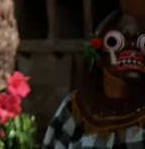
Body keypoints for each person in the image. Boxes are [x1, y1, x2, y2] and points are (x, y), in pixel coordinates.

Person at [41, 10, 145, 148]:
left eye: (140, 44)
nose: (132, 49)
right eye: (115, 41)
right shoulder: (74, 108)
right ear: (98, 55)